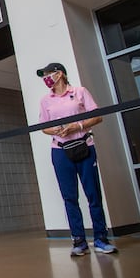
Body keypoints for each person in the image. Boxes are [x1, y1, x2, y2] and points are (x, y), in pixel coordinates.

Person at [37, 62, 117, 256]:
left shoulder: (79, 92)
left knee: (93, 194)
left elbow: (97, 117)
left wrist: (78, 126)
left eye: (49, 73)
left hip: (84, 147)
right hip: (60, 150)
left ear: (61, 74)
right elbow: (43, 126)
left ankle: (100, 239)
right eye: (44, 75)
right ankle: (79, 241)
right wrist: (54, 130)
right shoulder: (45, 100)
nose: (46, 78)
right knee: (69, 197)